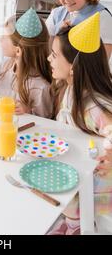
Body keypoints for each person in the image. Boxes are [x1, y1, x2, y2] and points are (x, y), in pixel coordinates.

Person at [47, 16, 112, 235]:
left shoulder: (94, 106)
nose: (49, 58)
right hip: (79, 172)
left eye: (54, 55)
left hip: (99, 186)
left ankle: (77, 227)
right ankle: (72, 223)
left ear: (74, 67)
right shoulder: (70, 89)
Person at [0, 8, 53, 118]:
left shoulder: (41, 87)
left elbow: (45, 121)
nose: (0, 39)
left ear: (18, 51)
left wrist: (28, 111)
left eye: (4, 37)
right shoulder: (5, 66)